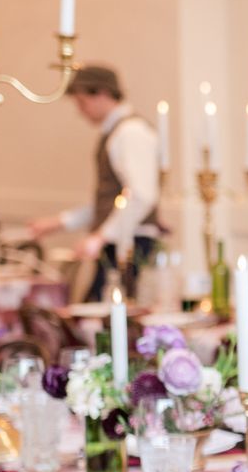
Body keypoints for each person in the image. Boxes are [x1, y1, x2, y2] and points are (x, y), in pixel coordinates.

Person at [29, 64, 162, 299]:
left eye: (82, 102)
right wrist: (60, 222)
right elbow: (113, 200)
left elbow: (141, 196)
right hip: (118, 239)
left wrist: (100, 236)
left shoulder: (130, 132)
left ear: (102, 93)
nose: (80, 111)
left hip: (131, 244)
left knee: (107, 317)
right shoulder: (116, 132)